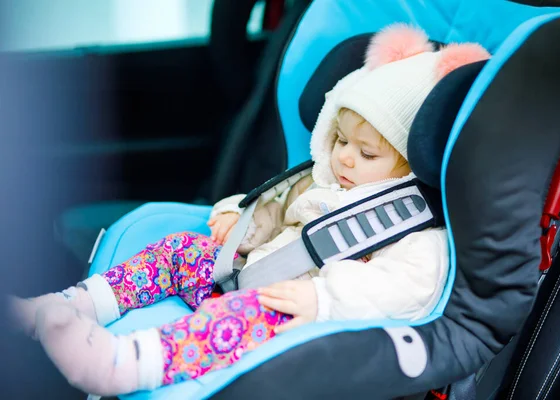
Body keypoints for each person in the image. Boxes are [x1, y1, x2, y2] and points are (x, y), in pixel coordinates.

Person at [9, 24, 489, 396]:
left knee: (241, 315)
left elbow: (407, 288)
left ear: (409, 163)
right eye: (340, 140)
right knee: (181, 249)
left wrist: (323, 300)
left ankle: (124, 362)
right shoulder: (327, 179)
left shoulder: (417, 231)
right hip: (244, 275)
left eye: (367, 154)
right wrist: (233, 220)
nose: (344, 157)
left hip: (300, 321)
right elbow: (272, 208)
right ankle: (73, 305)